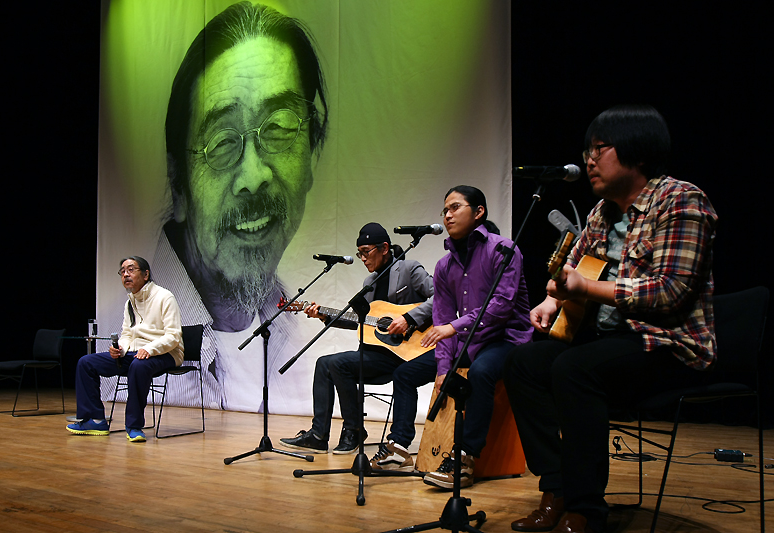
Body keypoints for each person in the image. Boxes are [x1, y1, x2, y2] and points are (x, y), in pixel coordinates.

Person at [504, 105, 718, 533]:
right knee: (522, 363)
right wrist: (555, 301)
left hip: (667, 346)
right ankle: (557, 487)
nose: (588, 160)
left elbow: (669, 290)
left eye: (599, 149)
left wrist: (584, 290)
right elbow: (578, 271)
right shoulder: (602, 213)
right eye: (587, 150)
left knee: (573, 368)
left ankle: (586, 510)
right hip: (606, 344)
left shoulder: (681, 200)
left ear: (637, 152)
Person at [148, 1, 330, 413]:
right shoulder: (145, 322)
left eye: (281, 127)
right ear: (179, 185)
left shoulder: (294, 326)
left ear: (312, 152)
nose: (254, 175)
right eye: (223, 142)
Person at [279, 222, 435, 456]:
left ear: (384, 248)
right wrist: (322, 314)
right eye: (359, 253)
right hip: (376, 355)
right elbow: (361, 321)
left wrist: (408, 318)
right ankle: (318, 435)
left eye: (366, 252)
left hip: (406, 353)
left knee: (337, 364)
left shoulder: (409, 270)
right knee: (324, 362)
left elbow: (441, 296)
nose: (362, 258)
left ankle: (353, 429)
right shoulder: (368, 284)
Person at [420, 185, 533, 489]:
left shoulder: (503, 249)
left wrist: (455, 328)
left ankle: (465, 459)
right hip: (474, 342)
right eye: (445, 210)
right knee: (412, 370)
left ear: (479, 212)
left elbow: (500, 307)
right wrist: (443, 368)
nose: (447, 215)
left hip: (509, 340)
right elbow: (440, 318)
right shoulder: (444, 266)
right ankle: (404, 449)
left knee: (481, 371)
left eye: (455, 207)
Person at [67, 257, 184, 443]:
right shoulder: (130, 302)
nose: (125, 274)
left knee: (138, 366)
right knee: (86, 362)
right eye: (122, 271)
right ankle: (95, 420)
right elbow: (127, 334)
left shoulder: (164, 297)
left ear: (146, 275)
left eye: (131, 269)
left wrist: (150, 349)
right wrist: (120, 349)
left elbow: (173, 336)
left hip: (166, 353)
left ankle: (134, 426)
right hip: (135, 354)